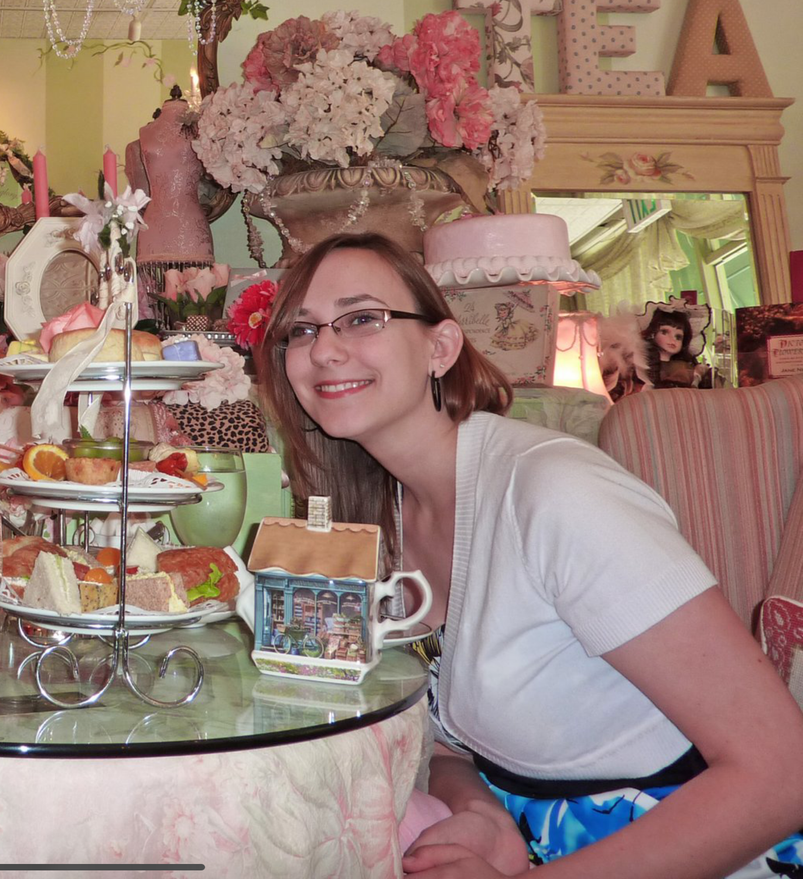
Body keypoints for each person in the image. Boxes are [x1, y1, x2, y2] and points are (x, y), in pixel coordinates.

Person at [256, 231, 803, 878]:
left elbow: (780, 773)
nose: (323, 348)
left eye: (362, 317)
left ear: (441, 347)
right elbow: (458, 735)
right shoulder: (385, 518)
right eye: (300, 329)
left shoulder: (557, 494)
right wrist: (479, 813)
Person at [643, 305, 711, 389]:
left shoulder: (686, 365)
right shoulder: (646, 366)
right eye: (664, 332)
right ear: (653, 333)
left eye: (678, 337)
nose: (672, 339)